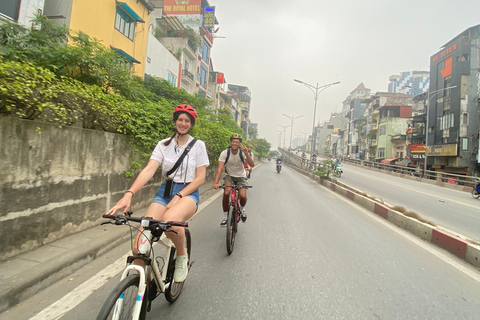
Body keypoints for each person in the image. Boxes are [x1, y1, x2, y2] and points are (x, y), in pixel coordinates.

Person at [105, 104, 209, 283]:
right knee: (139, 247)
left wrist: (179, 195)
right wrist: (129, 193)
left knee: (170, 223)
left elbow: (200, 179)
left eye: (187, 121)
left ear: (191, 123)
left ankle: (182, 256)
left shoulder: (198, 146)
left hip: (188, 193)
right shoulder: (163, 144)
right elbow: (148, 170)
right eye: (180, 120)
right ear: (175, 121)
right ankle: (145, 285)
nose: (182, 123)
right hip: (165, 191)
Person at [213, 134, 255, 226]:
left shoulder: (243, 152)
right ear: (230, 142)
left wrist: (247, 154)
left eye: (237, 142)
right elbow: (220, 169)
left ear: (239, 143)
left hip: (241, 176)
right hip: (229, 176)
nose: (234, 143)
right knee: (226, 193)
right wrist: (215, 183)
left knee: (242, 196)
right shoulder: (225, 153)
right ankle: (225, 217)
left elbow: (252, 165)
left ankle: (242, 209)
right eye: (233, 141)